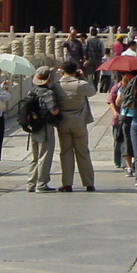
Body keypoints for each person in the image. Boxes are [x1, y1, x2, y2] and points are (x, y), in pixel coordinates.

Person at [53, 60, 96, 191]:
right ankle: (89, 183)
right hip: (79, 122)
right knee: (83, 152)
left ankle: (67, 183)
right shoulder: (81, 84)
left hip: (63, 123)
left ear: (62, 70)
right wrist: (83, 77)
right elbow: (92, 92)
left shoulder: (57, 85)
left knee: (65, 153)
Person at [23, 66, 61, 192]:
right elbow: (54, 110)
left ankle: (30, 183)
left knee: (34, 157)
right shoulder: (48, 93)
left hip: (33, 127)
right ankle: (42, 184)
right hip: (45, 127)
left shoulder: (32, 91)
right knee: (44, 156)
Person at [108, 72, 134, 172]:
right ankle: (118, 161)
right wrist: (114, 112)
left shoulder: (133, 88)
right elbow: (111, 101)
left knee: (127, 141)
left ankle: (126, 163)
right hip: (118, 119)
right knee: (118, 141)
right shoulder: (116, 87)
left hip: (129, 118)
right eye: (126, 75)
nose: (128, 77)